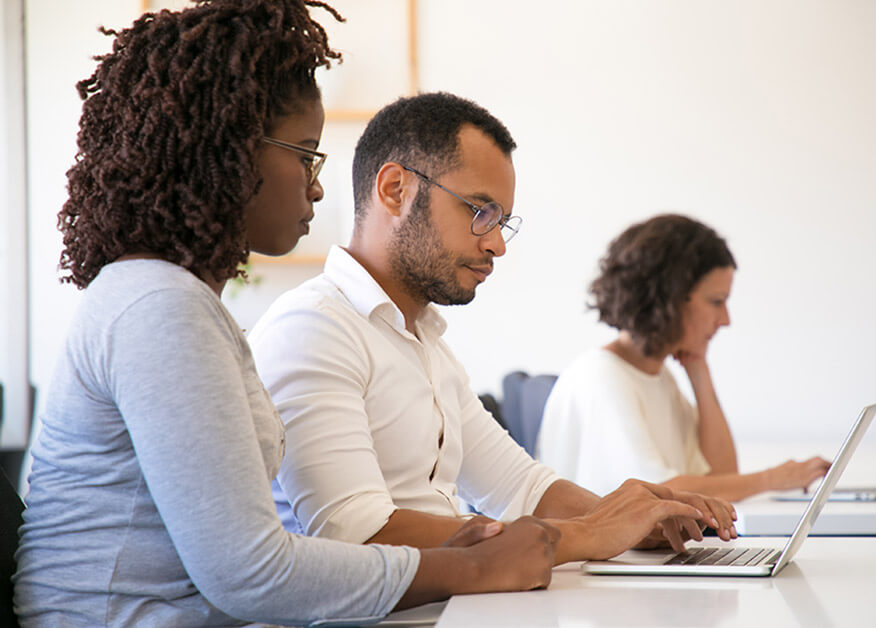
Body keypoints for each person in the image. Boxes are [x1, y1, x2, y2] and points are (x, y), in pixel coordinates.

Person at [14, 3, 561, 626]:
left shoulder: (179, 300)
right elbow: (253, 573)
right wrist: (474, 568)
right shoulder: (158, 305)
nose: (319, 186)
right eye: (305, 154)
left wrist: (456, 550)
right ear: (229, 148)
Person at [248, 92, 737, 565]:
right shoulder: (313, 328)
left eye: (502, 221)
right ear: (395, 189)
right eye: (479, 211)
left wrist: (643, 522)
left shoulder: (427, 344)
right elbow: (356, 535)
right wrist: (589, 532)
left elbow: (524, 488)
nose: (497, 244)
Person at [536, 214, 831, 502]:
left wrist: (698, 370)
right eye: (716, 302)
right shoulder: (602, 376)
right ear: (670, 298)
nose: (725, 320)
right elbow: (655, 495)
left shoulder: (658, 377)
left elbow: (722, 476)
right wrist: (771, 479)